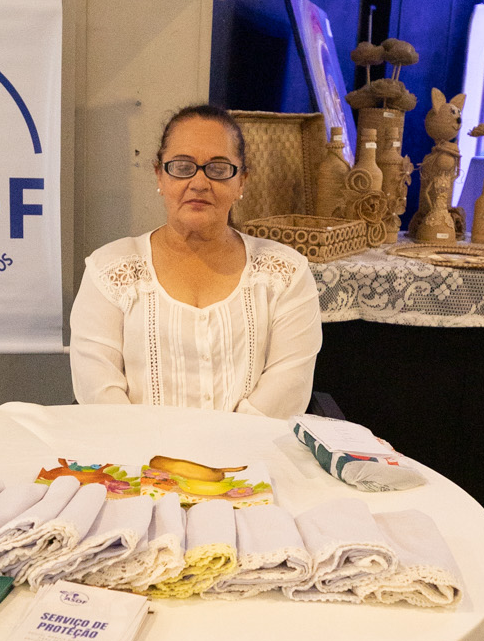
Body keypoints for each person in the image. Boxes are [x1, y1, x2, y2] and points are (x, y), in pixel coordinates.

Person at [69, 103, 323, 415]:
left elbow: (288, 386)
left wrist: (224, 443)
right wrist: (151, 445)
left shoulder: (286, 273)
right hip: (133, 445)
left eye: (218, 169)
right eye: (182, 166)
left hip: (252, 445)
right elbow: (99, 391)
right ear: (160, 176)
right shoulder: (109, 270)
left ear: (241, 181)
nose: (199, 183)